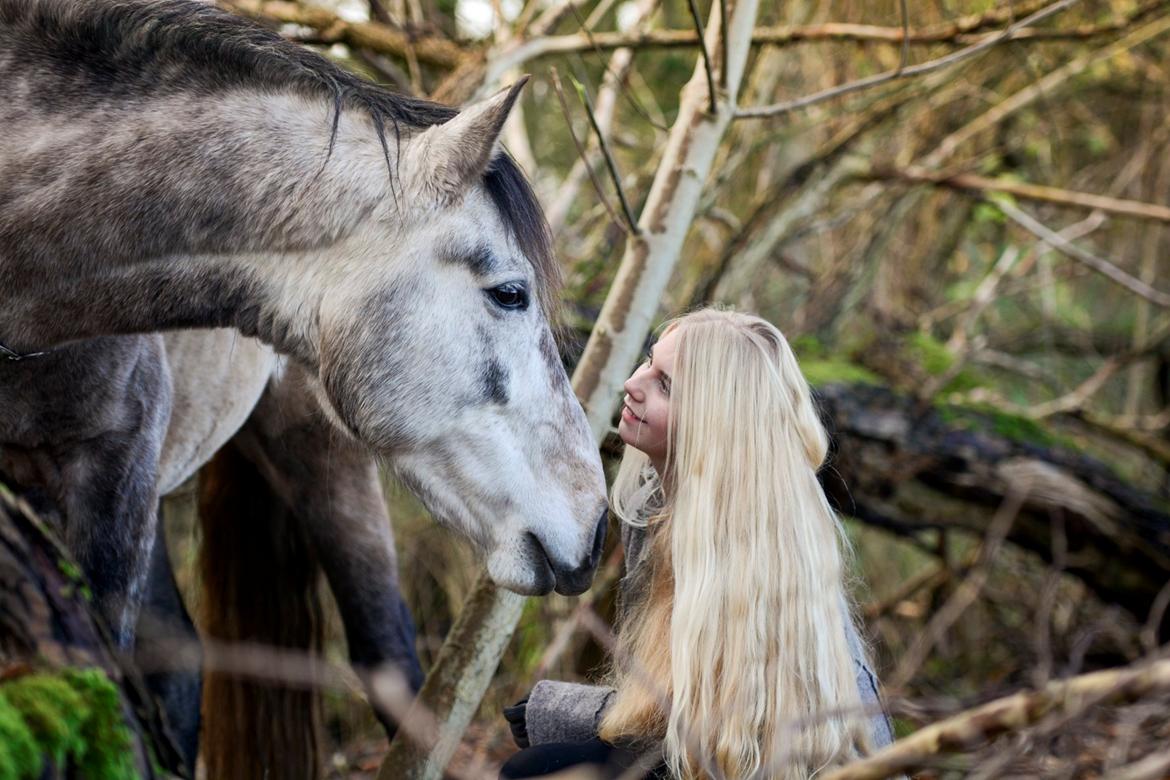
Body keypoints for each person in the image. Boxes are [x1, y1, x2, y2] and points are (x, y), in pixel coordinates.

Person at [500, 309, 894, 780]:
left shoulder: (758, 541)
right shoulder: (655, 507)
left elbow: (736, 735)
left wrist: (576, 713)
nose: (633, 383)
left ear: (713, 420)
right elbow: (677, 698)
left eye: (665, 384)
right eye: (649, 362)